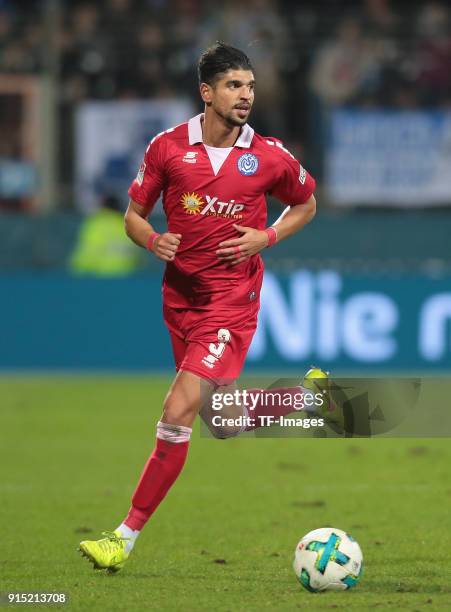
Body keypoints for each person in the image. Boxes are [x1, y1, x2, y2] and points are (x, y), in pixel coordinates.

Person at [79, 42, 324, 573]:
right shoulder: (167, 148)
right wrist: (152, 241)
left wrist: (268, 235)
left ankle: (122, 537)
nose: (246, 95)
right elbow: (132, 216)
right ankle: (300, 400)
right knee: (223, 419)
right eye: (235, 85)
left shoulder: (271, 155)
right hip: (181, 298)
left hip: (231, 300)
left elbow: (306, 202)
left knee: (177, 410)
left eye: (251, 86)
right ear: (207, 92)